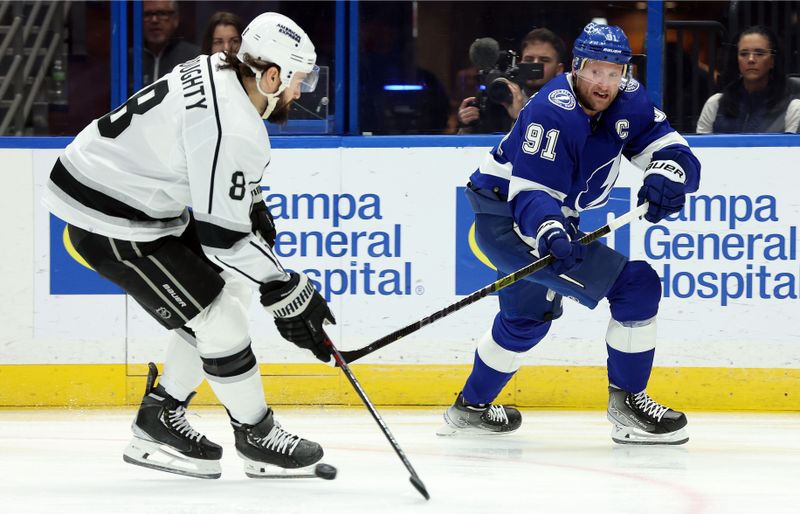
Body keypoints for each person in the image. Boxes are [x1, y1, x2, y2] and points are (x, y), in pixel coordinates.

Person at [43, 13, 331, 479]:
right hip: (108, 217)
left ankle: (161, 415)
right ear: (272, 75)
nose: (301, 92)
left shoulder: (217, 65)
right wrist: (288, 288)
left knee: (226, 293)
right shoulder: (236, 128)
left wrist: (251, 200)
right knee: (222, 321)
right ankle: (256, 436)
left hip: (122, 192)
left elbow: (200, 154)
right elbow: (224, 240)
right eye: (299, 80)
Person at [438, 22, 701, 445]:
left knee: (526, 320)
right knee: (636, 285)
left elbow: (671, 148)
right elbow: (532, 196)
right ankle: (628, 405)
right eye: (596, 71)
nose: (605, 82)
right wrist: (550, 232)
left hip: (544, 216)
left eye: (614, 72)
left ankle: (469, 410)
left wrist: (668, 174)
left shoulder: (629, 101)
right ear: (577, 67)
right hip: (508, 219)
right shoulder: (551, 111)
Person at [457, 28, 566, 134]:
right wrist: (467, 126)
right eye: (529, 59)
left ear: (558, 69)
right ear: (520, 63)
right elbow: (467, 149)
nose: (534, 64)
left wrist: (520, 118)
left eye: (544, 60)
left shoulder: (568, 108)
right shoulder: (501, 97)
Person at [696, 25, 800, 133]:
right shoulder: (715, 104)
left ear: (772, 60)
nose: (751, 59)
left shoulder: (793, 108)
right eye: (744, 54)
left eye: (759, 53)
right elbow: (699, 148)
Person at [142, 0, 200, 85]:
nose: (154, 20)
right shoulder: (127, 59)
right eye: (147, 14)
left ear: (175, 18)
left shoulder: (195, 57)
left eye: (161, 13)